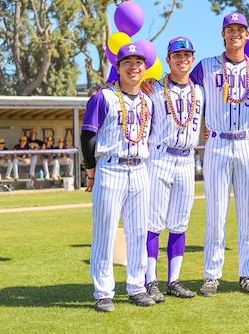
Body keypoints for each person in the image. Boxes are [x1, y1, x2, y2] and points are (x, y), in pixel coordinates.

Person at [190, 12, 249, 296]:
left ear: (247, 34)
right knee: (216, 213)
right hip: (216, 142)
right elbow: (182, 89)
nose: (236, 33)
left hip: (248, 142)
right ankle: (212, 275)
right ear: (223, 34)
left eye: (241, 29)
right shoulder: (205, 66)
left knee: (248, 212)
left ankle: (246, 274)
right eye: (231, 29)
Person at [80, 42, 156, 312]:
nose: (133, 66)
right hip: (110, 168)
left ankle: (136, 286)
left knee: (138, 232)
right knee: (106, 231)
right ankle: (103, 292)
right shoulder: (104, 97)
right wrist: (91, 171)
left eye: (138, 62)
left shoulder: (148, 101)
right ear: (118, 67)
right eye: (127, 62)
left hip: (139, 169)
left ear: (144, 68)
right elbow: (88, 136)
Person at [144, 37, 204, 302]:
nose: (183, 59)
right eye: (177, 55)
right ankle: (150, 281)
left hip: (187, 159)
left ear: (193, 59)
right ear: (168, 60)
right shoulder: (153, 89)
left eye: (187, 55)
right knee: (153, 222)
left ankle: (174, 280)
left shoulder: (200, 91)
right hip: (160, 157)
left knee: (180, 222)